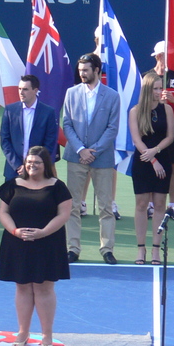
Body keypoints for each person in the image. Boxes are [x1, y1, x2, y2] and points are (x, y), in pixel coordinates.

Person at [0, 146, 73, 346]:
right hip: (17, 243)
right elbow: (3, 212)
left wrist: (42, 233)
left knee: (43, 287)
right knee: (22, 286)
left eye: (36, 163)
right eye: (29, 162)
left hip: (48, 244)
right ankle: (23, 331)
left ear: (45, 165)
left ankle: (47, 334)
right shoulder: (12, 185)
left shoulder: (57, 187)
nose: (32, 166)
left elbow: (63, 215)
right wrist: (15, 231)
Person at [63, 53, 120, 265]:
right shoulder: (71, 93)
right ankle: (73, 248)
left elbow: (112, 128)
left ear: (96, 70)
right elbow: (67, 123)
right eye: (80, 70)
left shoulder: (112, 96)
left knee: (106, 206)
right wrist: (80, 149)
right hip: (76, 157)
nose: (82, 74)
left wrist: (92, 151)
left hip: (102, 158)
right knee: (72, 205)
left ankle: (107, 249)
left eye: (86, 70)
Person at [129, 72, 174, 266]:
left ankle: (156, 249)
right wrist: (151, 159)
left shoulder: (168, 110)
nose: (159, 92)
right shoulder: (135, 111)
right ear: (147, 90)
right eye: (155, 88)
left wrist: (156, 152)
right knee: (141, 204)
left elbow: (170, 137)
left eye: (160, 88)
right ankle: (141, 248)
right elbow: (136, 139)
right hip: (143, 160)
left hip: (162, 158)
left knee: (160, 203)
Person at [149, 41, 174, 222]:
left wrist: (172, 99)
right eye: (164, 54)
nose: (167, 57)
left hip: (173, 123)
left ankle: (172, 205)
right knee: (150, 161)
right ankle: (149, 204)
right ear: (157, 56)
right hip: (150, 124)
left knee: (173, 165)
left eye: (169, 53)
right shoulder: (147, 77)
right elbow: (139, 104)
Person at [0, 74, 59, 181]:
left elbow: (50, 142)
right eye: (19, 89)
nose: (21, 92)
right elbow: (5, 141)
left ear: (35, 90)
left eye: (25, 89)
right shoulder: (10, 110)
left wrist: (33, 165)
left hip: (38, 171)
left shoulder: (48, 112)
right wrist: (18, 165)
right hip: (14, 171)